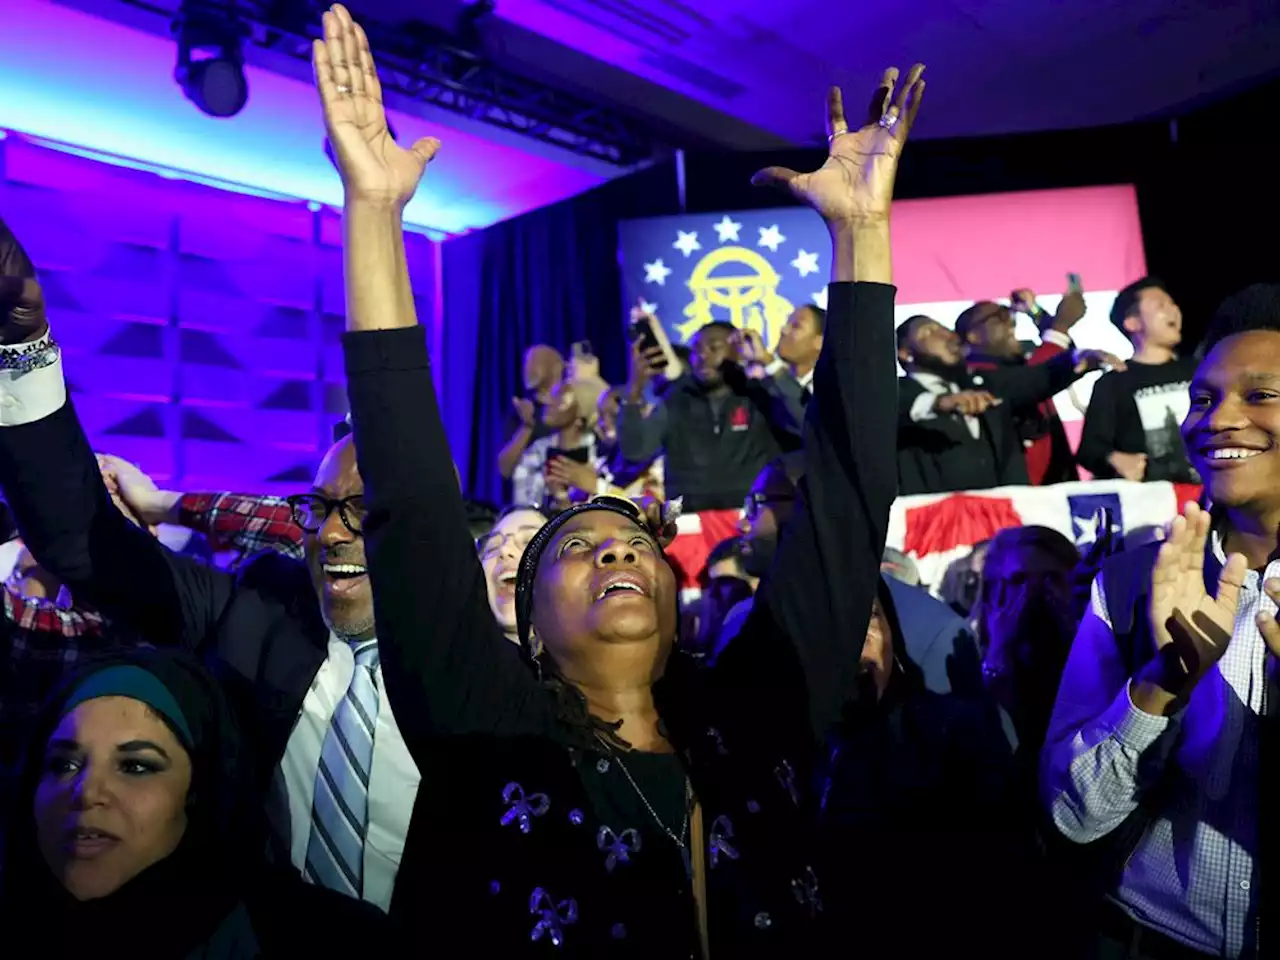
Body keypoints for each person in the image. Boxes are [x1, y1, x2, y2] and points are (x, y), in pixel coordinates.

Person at [320, 6, 918, 950]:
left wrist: (862, 233)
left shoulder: (759, 711)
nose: (615, 549)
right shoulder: (479, 721)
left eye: (635, 541)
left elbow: (846, 494)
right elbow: (411, 492)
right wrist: (375, 210)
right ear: (522, 622)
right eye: (578, 547)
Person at [0, 231, 420, 909]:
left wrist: (173, 503)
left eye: (365, 509)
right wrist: (20, 343)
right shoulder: (257, 620)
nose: (333, 531)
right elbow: (80, 536)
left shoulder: (495, 667)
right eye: (318, 509)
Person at [1042, 283, 1280, 958]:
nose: (1216, 419)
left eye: (1259, 396)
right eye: (1202, 399)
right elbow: (1072, 816)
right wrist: (1157, 687)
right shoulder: (1127, 584)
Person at [0, 648, 384, 957]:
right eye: (63, 764)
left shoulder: (332, 943)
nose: (86, 793)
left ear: (201, 790)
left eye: (135, 766)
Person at [895, 314, 1118, 494]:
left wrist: (1076, 360)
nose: (945, 335)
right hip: (937, 529)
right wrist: (938, 403)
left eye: (944, 328)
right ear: (905, 353)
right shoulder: (896, 394)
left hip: (1001, 519)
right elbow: (890, 413)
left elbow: (1035, 378)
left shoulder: (983, 383)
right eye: (929, 332)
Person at [959, 287, 1086, 484]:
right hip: (1024, 498)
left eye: (1008, 312)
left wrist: (1035, 312)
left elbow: (1064, 361)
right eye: (998, 316)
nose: (1010, 319)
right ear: (973, 336)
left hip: (1057, 485)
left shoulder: (1017, 363)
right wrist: (1061, 325)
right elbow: (1035, 378)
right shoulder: (974, 377)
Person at [1076, 278, 1199, 483]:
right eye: (1161, 305)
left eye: (1173, 304)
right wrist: (1114, 459)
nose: (1173, 310)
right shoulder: (1114, 383)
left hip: (1212, 500)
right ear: (1132, 322)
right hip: (1154, 506)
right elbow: (1090, 450)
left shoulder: (1201, 370)